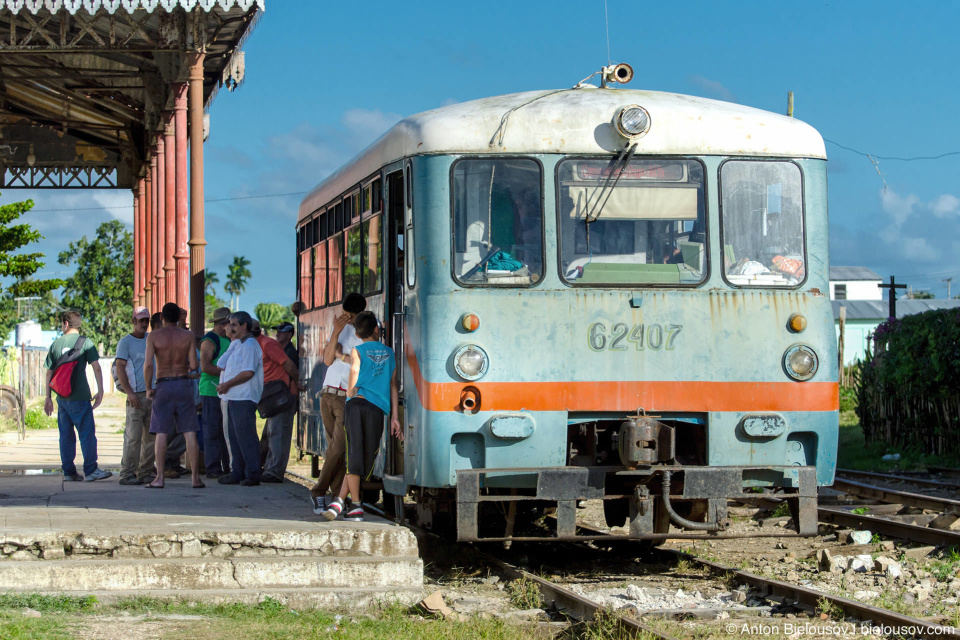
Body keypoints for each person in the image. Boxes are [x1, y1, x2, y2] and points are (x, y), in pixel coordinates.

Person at [323, 311, 400, 522]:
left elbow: (354, 370)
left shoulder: (357, 350)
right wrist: (395, 417)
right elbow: (393, 385)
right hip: (376, 408)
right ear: (377, 329)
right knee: (366, 456)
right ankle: (355, 505)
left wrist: (350, 390)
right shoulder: (390, 353)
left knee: (356, 454)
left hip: (355, 404)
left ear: (357, 334)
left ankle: (341, 501)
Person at [308, 292, 366, 514]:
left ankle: (318, 491)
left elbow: (359, 361)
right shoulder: (344, 330)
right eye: (345, 315)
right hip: (328, 394)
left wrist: (344, 356)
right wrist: (335, 332)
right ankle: (335, 498)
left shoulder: (367, 331)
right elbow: (327, 359)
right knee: (337, 450)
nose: (346, 318)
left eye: (349, 315)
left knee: (338, 447)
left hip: (346, 395)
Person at [43, 310, 112, 482]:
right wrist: (101, 390)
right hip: (80, 396)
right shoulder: (85, 342)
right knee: (86, 433)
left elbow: (48, 374)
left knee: (66, 436)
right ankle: (91, 470)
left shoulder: (56, 344)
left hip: (62, 398)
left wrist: (47, 397)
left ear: (65, 324)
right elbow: (96, 367)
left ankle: (69, 472)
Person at [144, 302, 203, 489]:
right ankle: (195, 478)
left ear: (161, 317)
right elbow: (194, 365)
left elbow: (148, 365)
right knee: (189, 432)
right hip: (183, 384)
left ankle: (159, 477)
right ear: (179, 318)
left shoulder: (154, 336)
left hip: (163, 385)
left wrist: (148, 388)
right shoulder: (187, 336)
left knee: (161, 432)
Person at [216, 311, 264, 486]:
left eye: (234, 325)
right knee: (235, 438)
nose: (230, 328)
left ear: (244, 325)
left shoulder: (250, 344)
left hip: (244, 397)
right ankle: (237, 472)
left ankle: (252, 473)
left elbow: (248, 372)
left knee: (246, 437)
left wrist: (227, 384)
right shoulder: (238, 344)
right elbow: (220, 364)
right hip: (233, 397)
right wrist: (232, 340)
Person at [252, 321, 300, 482]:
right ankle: (266, 467)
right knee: (270, 433)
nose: (278, 333)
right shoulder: (258, 344)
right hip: (271, 395)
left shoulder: (268, 344)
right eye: (277, 330)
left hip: (282, 394)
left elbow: (289, 365)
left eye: (281, 331)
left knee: (278, 434)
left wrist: (297, 383)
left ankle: (274, 472)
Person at [114, 307, 156, 485]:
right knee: (133, 437)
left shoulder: (151, 339)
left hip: (152, 393)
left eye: (146, 320)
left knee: (151, 437)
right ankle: (127, 473)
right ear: (133, 321)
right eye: (141, 321)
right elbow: (120, 368)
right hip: (136, 395)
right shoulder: (125, 342)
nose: (144, 324)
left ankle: (145, 471)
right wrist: (129, 392)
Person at [200, 307, 232, 478]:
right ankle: (212, 468)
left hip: (226, 391)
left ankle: (227, 467)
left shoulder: (229, 339)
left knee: (226, 431)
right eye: (224, 324)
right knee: (212, 431)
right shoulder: (210, 340)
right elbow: (205, 366)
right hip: (211, 391)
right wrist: (228, 375)